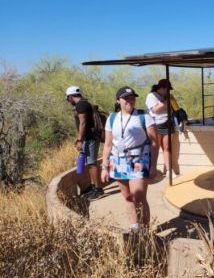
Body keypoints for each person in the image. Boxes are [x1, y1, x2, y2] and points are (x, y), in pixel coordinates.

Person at [100, 86, 159, 233]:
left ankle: (145, 230)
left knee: (138, 196)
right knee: (127, 196)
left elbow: (154, 143)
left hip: (139, 159)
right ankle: (134, 226)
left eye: (132, 97)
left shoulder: (144, 116)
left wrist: (153, 165)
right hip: (118, 161)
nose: (129, 100)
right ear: (118, 100)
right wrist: (104, 167)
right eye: (126, 98)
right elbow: (107, 144)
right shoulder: (112, 118)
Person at [65, 85, 103, 200]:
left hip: (89, 137)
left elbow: (83, 123)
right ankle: (93, 186)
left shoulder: (81, 105)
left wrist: (80, 140)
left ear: (71, 96)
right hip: (89, 137)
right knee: (89, 163)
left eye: (68, 99)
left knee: (92, 163)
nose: (68, 101)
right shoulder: (84, 103)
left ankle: (98, 189)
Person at [145, 79, 180, 176]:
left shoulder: (167, 96)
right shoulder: (151, 96)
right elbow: (155, 109)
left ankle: (169, 170)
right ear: (161, 88)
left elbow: (176, 108)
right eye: (167, 89)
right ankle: (153, 169)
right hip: (156, 124)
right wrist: (166, 101)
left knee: (167, 148)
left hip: (168, 122)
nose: (168, 92)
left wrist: (172, 101)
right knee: (155, 148)